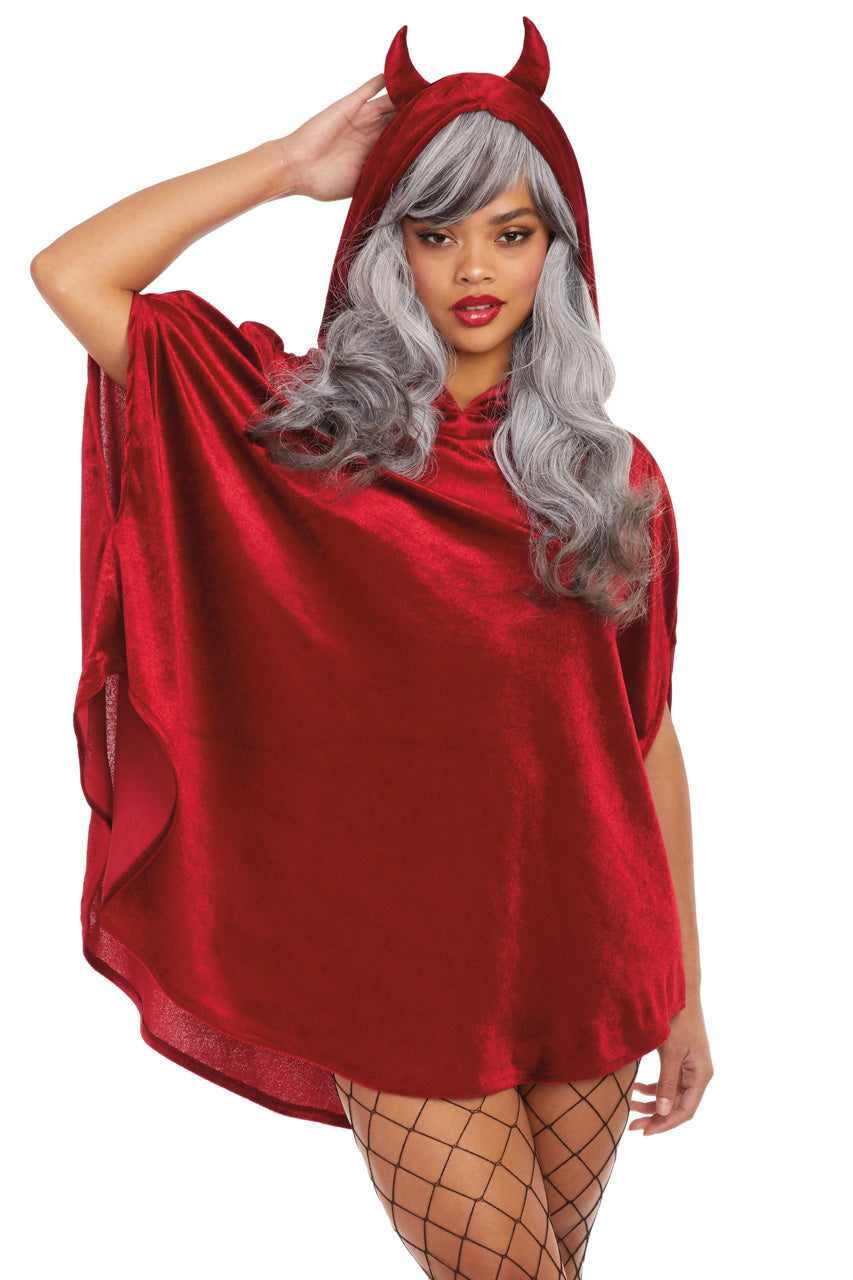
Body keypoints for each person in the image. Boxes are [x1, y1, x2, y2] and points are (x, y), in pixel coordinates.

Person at [31, 18, 713, 1280]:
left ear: (559, 253)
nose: (475, 266)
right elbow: (73, 273)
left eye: (512, 231)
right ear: (384, 245)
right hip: (399, 968)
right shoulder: (300, 431)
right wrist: (291, 166)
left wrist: (685, 988)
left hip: (590, 942)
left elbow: (646, 735)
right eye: (434, 229)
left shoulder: (613, 481)